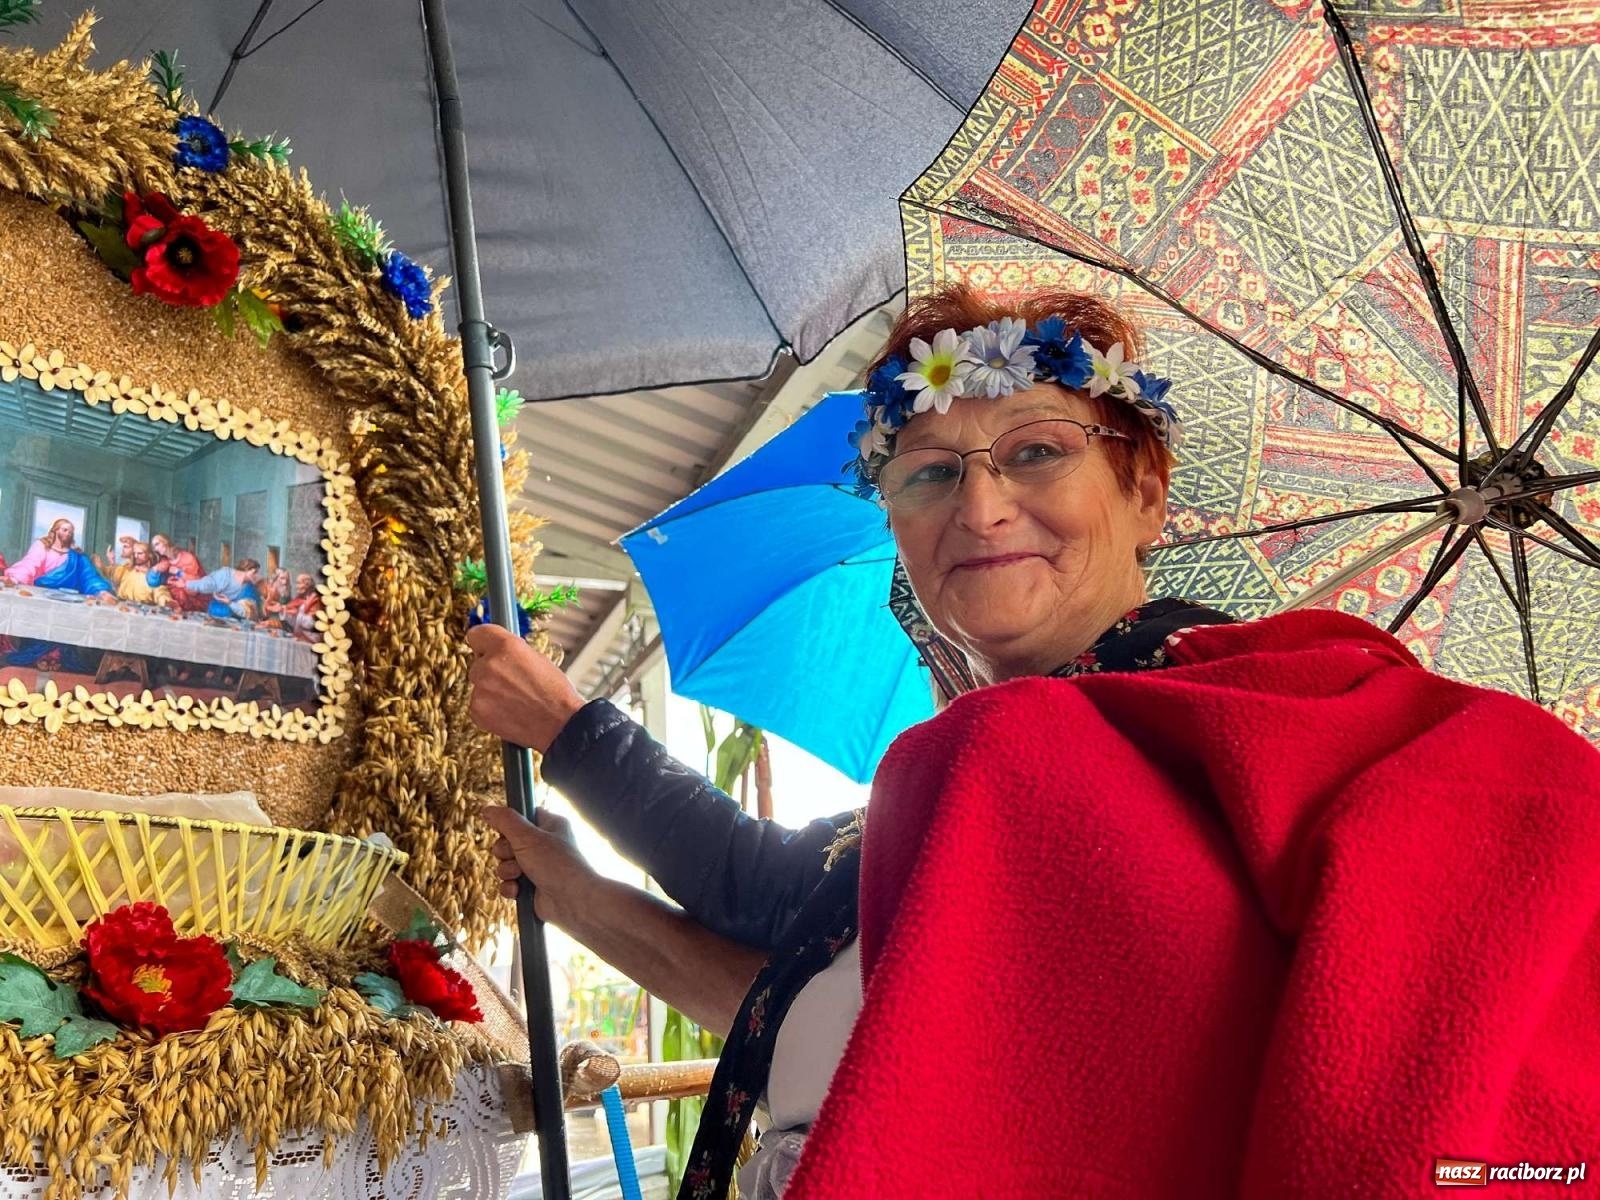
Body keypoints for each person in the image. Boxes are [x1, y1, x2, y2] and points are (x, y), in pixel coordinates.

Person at [468, 285, 1600, 1200]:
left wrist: (567, 730)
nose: (981, 507)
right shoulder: (947, 790)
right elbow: (792, 945)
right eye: (929, 472)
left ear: (1144, 493)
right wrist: (577, 878)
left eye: (1038, 452)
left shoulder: (1287, 719)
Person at [4, 519, 115, 598]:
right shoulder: (42, 546)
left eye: (70, 532)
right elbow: (30, 564)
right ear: (55, 530)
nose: (68, 534)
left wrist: (101, 592)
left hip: (70, 598)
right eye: (65, 530)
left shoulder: (77, 556)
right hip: (42, 594)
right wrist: (15, 579)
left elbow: (89, 577)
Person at [185, 558, 261, 621]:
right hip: (214, 614)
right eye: (255, 572)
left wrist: (229, 603)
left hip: (234, 621)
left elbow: (247, 612)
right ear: (246, 570)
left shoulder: (249, 589)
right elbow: (206, 584)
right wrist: (187, 584)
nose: (257, 576)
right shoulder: (225, 575)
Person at [149, 534, 206, 612]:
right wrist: (156, 571)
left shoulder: (187, 558)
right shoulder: (163, 561)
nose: (156, 549)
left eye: (157, 544)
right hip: (172, 599)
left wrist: (179, 573)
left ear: (165, 542)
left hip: (190, 600)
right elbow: (153, 582)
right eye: (154, 546)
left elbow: (195, 584)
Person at [105, 542, 172, 607]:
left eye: (140, 553)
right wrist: (112, 561)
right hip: (122, 606)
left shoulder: (152, 575)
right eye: (134, 553)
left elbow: (160, 591)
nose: (136, 556)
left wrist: (166, 601)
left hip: (143, 609)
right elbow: (115, 578)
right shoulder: (127, 569)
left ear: (149, 555)